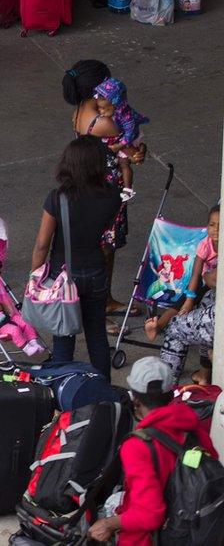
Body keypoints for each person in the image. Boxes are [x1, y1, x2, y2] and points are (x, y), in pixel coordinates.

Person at [87, 356, 217, 544]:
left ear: (136, 399)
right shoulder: (191, 423)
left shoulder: (137, 446)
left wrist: (109, 524)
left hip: (155, 538)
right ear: (171, 394)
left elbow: (149, 514)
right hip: (195, 522)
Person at [64, 60, 146, 335]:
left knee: (105, 249)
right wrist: (135, 152)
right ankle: (96, 310)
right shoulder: (103, 121)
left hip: (92, 185)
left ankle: (106, 301)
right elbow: (129, 140)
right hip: (106, 190)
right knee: (104, 249)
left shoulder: (83, 110)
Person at [31, 136, 122, 379]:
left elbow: (42, 243)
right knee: (96, 335)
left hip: (63, 276)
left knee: (64, 336)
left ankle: (64, 392)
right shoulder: (113, 196)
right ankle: (102, 388)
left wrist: (35, 277)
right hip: (96, 272)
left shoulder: (57, 198)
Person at [145, 206, 219, 384]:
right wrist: (190, 298)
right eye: (212, 225)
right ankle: (204, 374)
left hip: (214, 296)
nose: (216, 229)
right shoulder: (205, 245)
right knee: (191, 302)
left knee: (177, 326)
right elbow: (197, 275)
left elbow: (213, 279)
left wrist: (207, 279)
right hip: (206, 290)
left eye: (220, 225)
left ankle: (166, 386)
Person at [92, 77, 148, 191]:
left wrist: (120, 146)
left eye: (104, 109)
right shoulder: (110, 113)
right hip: (121, 142)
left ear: (115, 105)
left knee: (124, 164)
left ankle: (128, 188)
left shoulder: (126, 118)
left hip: (128, 140)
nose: (101, 112)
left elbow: (130, 135)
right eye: (99, 108)